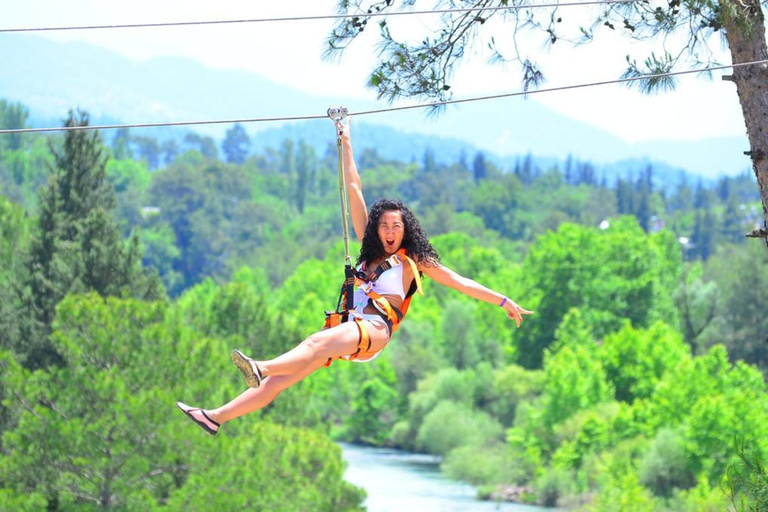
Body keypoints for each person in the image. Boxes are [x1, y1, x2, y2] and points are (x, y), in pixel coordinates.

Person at [177, 119, 533, 436]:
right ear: (376, 229)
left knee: (312, 346)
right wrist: (345, 141)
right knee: (280, 381)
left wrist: (503, 301)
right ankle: (216, 417)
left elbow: (462, 282)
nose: (390, 231)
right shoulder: (370, 249)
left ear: (405, 229)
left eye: (397, 226)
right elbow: (354, 189)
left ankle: (260, 365)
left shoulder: (414, 261)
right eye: (384, 225)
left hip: (374, 329)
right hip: (350, 326)